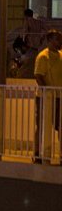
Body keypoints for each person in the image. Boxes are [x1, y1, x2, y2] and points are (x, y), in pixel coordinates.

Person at [34, 28, 62, 163]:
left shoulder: (61, 55)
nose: (59, 42)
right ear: (49, 40)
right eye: (57, 39)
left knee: (60, 125)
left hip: (59, 96)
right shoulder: (43, 56)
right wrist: (47, 91)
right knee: (42, 125)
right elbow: (38, 75)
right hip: (45, 97)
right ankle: (38, 153)